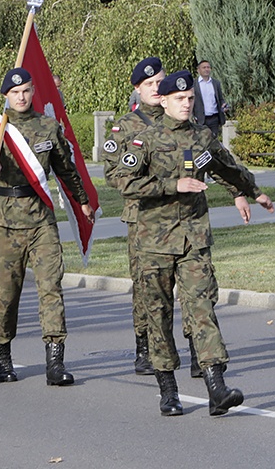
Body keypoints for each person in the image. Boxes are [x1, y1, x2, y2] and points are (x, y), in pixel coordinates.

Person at [113, 70, 273, 416]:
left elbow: (229, 167)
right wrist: (174, 185)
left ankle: (217, 388)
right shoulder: (146, 139)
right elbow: (125, 183)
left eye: (190, 99)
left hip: (193, 240)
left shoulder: (202, 137)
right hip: (153, 242)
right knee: (158, 316)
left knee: (202, 309)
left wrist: (253, 192)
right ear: (165, 101)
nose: (186, 104)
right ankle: (168, 391)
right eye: (179, 99)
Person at [0, 67, 94, 386]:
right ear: (6, 96)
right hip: (4, 222)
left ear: (32, 91)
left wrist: (82, 200)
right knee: (5, 294)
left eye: (26, 90)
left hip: (41, 219)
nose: (22, 96)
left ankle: (55, 363)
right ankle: (3, 355)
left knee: (51, 287)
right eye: (15, 92)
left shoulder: (47, 126)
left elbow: (65, 168)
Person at [103, 56, 165, 376]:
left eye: (159, 82)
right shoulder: (126, 125)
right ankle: (143, 347)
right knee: (143, 283)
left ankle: (185, 346)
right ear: (138, 89)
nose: (156, 89)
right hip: (141, 214)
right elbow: (112, 172)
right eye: (149, 84)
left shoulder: (178, 118)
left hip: (176, 215)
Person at [192, 60, 228, 138]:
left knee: (213, 142)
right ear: (198, 70)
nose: (206, 69)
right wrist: (192, 117)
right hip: (200, 119)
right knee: (202, 142)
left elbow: (220, 99)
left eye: (208, 67)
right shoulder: (194, 84)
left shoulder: (216, 83)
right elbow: (191, 101)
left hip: (214, 118)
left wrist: (223, 106)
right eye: (204, 67)